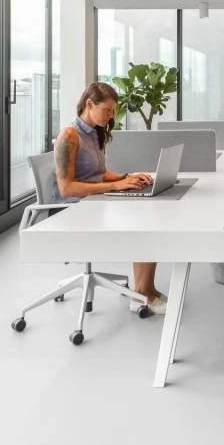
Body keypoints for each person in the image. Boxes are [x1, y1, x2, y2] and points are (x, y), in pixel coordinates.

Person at [54, 82, 166, 314]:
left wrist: (128, 177)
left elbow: (100, 173)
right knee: (143, 224)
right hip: (76, 211)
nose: (111, 116)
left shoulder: (94, 133)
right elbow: (66, 188)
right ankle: (141, 295)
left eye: (113, 111)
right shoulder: (69, 135)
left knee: (149, 214)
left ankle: (147, 289)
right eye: (107, 110)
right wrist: (116, 185)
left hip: (96, 202)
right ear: (89, 104)